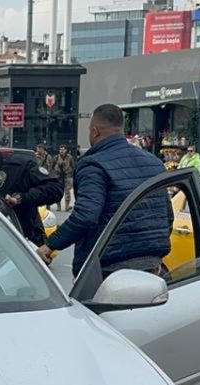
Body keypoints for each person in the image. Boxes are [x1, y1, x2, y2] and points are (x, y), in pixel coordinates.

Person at [36, 104, 171, 277]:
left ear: (95, 131)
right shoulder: (154, 163)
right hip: (154, 270)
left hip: (108, 270)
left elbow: (85, 216)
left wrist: (50, 245)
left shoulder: (93, 164)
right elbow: (167, 215)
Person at [51, 144, 75, 211]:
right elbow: (52, 166)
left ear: (66, 150)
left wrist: (71, 174)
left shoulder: (69, 157)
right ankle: (59, 206)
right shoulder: (56, 157)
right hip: (58, 176)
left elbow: (73, 166)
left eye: (63, 149)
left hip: (67, 176)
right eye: (60, 149)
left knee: (67, 191)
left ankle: (67, 206)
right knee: (58, 191)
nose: (61, 151)